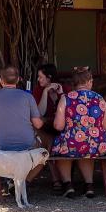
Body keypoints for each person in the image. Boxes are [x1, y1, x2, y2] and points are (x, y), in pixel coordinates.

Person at [51, 68, 106, 199]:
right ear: (89, 82)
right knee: (86, 149)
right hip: (97, 145)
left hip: (72, 144)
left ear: (74, 83)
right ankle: (89, 185)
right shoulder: (100, 99)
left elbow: (58, 126)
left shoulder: (66, 99)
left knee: (61, 148)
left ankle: (68, 185)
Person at [0, 66, 44, 180]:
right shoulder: (27, 96)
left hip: (3, 146)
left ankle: (14, 180)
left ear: (1, 81)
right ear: (18, 79)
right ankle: (24, 180)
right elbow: (38, 124)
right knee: (45, 152)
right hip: (27, 146)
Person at [32, 63, 69, 192]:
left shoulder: (64, 88)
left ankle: (60, 180)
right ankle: (58, 180)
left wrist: (61, 94)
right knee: (49, 142)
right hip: (45, 128)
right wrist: (45, 92)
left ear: (49, 77)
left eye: (41, 77)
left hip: (62, 127)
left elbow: (69, 111)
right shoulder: (38, 90)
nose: (38, 80)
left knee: (52, 142)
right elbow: (39, 113)